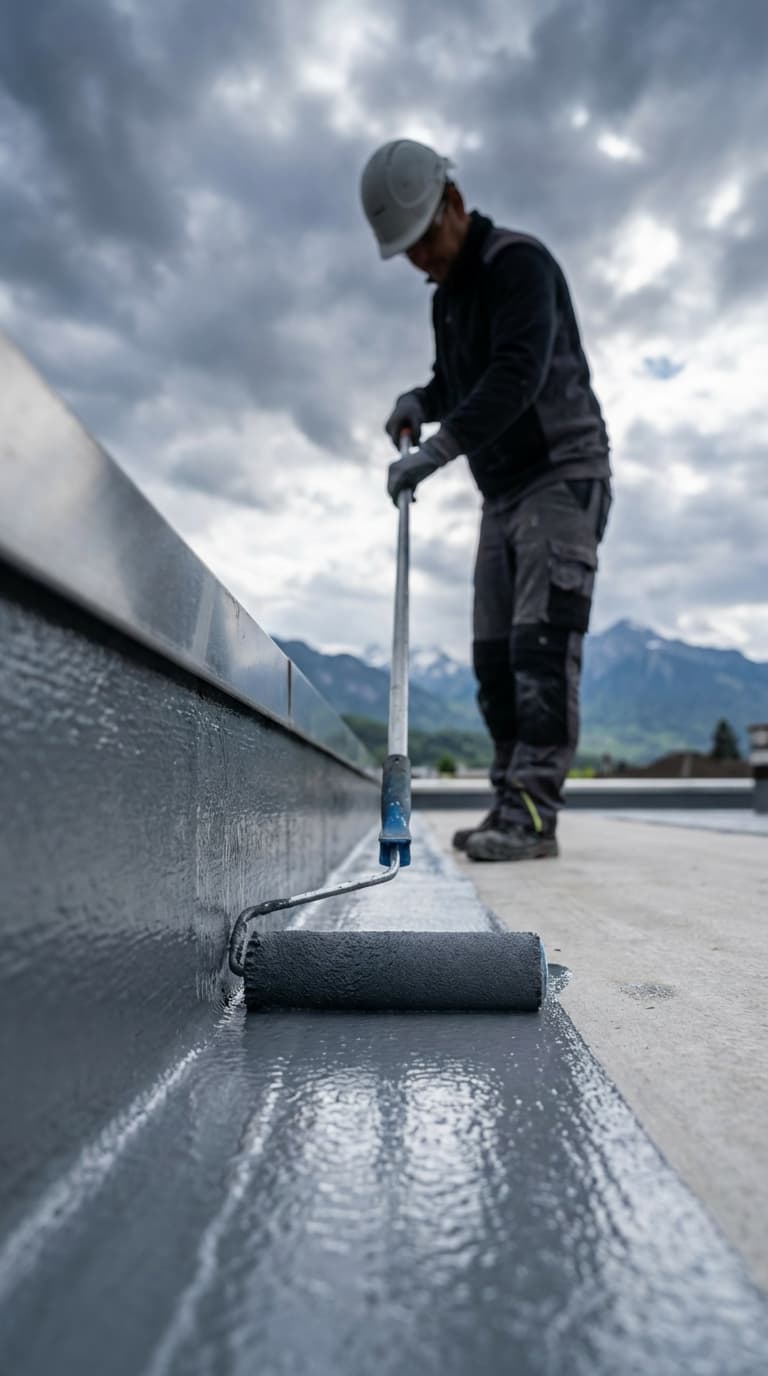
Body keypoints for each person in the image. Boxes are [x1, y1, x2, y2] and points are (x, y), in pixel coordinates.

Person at [360, 138, 612, 862]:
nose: (419, 261)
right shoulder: (450, 300)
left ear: (455, 204)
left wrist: (438, 449)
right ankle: (510, 804)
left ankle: (533, 813)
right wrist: (422, 400)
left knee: (540, 649)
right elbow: (458, 381)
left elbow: (515, 375)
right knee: (494, 659)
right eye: (405, 251)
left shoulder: (519, 265)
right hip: (500, 494)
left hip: (561, 475)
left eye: (423, 241)